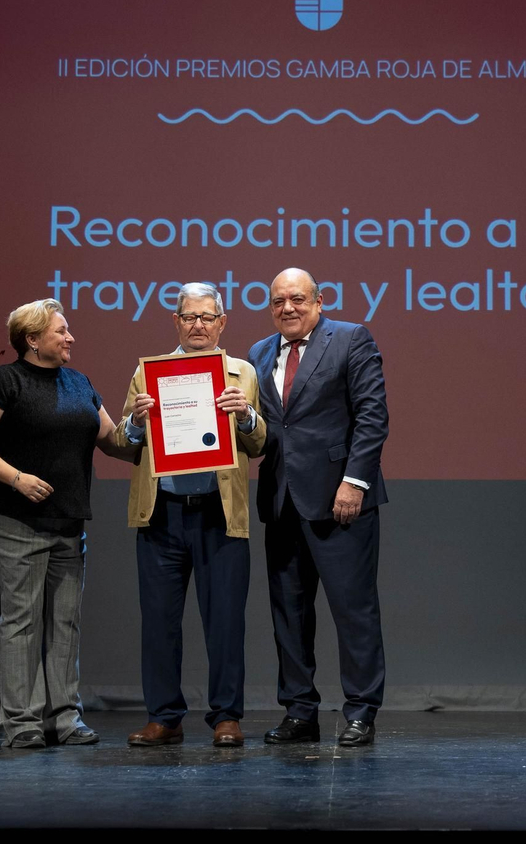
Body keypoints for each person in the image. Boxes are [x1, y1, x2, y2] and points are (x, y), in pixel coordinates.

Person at [0, 299, 136, 748]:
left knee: (65, 621)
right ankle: (21, 723)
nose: (70, 337)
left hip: (69, 519)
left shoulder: (79, 383)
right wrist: (17, 479)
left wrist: (140, 424)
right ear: (32, 339)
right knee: (21, 621)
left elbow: (114, 442)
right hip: (17, 518)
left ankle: (64, 719)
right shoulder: (3, 381)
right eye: (61, 330)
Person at [113, 283, 267, 747]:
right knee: (159, 622)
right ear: (176, 322)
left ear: (223, 322)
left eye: (207, 317)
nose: (198, 325)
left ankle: (226, 717)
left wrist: (245, 417)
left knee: (225, 621)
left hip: (219, 515)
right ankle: (165, 717)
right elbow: (123, 440)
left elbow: (258, 443)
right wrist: (137, 422)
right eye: (189, 317)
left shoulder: (241, 372)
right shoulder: (149, 372)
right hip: (162, 515)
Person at [248, 268, 389, 746]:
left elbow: (372, 416)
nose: (287, 308)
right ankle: (299, 712)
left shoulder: (351, 339)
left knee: (354, 611)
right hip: (282, 501)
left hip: (339, 501)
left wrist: (354, 483)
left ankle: (361, 711)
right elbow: (267, 430)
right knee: (288, 613)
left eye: (297, 299)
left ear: (319, 300)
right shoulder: (259, 354)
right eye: (278, 301)